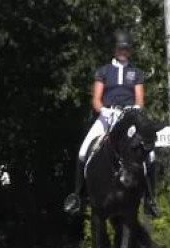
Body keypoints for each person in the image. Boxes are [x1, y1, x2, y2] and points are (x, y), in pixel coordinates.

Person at [63, 30, 160, 217]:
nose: (123, 52)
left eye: (126, 49)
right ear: (115, 49)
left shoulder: (136, 73)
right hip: (107, 116)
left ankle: (150, 199)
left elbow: (140, 101)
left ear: (129, 50)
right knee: (83, 151)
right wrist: (105, 110)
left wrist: (132, 112)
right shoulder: (104, 71)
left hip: (130, 117)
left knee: (151, 156)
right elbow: (96, 100)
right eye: (120, 48)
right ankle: (78, 196)